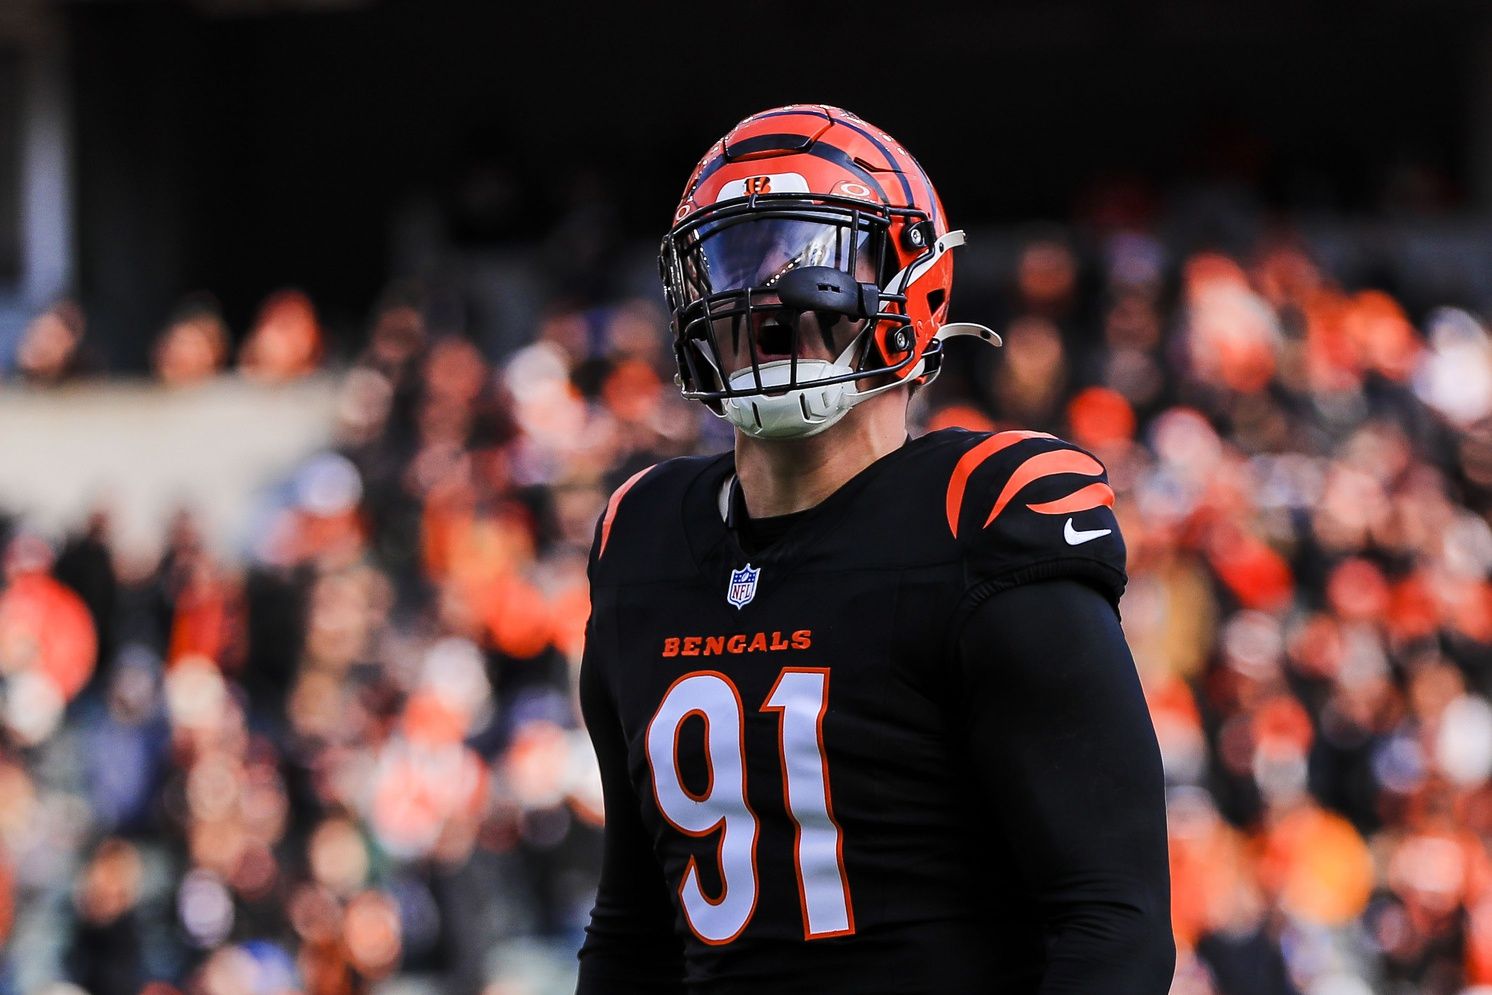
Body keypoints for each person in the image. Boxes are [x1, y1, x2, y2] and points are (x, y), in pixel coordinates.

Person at [576, 104, 1174, 993]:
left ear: (914, 286)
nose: (765, 303)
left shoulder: (983, 518)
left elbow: (1110, 922)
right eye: (735, 262)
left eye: (810, 260)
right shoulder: (643, 539)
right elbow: (634, 930)